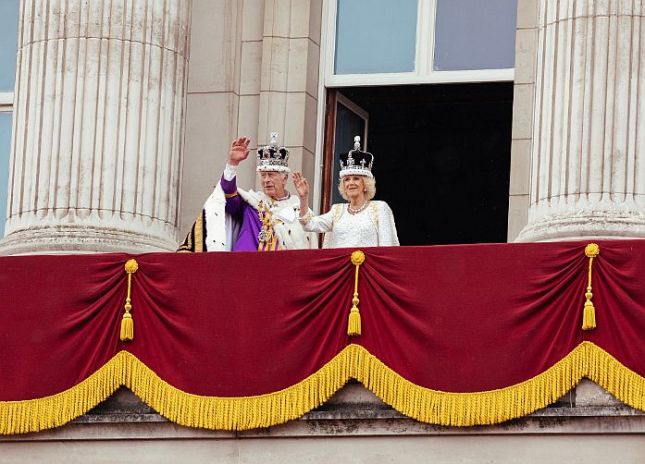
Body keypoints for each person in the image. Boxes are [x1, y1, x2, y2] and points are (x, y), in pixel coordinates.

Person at [178, 134, 316, 252]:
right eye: (263, 175)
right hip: (246, 267)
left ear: (284, 178)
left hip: (283, 270)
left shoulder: (298, 208)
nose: (266, 180)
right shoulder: (251, 203)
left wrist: (304, 199)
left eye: (271, 175)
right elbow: (228, 197)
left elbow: (308, 247)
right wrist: (232, 164)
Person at [293, 136, 399, 248]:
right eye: (347, 179)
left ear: (365, 184)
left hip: (367, 260)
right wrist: (304, 198)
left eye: (356, 178)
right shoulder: (337, 210)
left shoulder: (379, 209)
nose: (351, 183)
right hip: (340, 260)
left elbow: (387, 248)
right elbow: (309, 224)